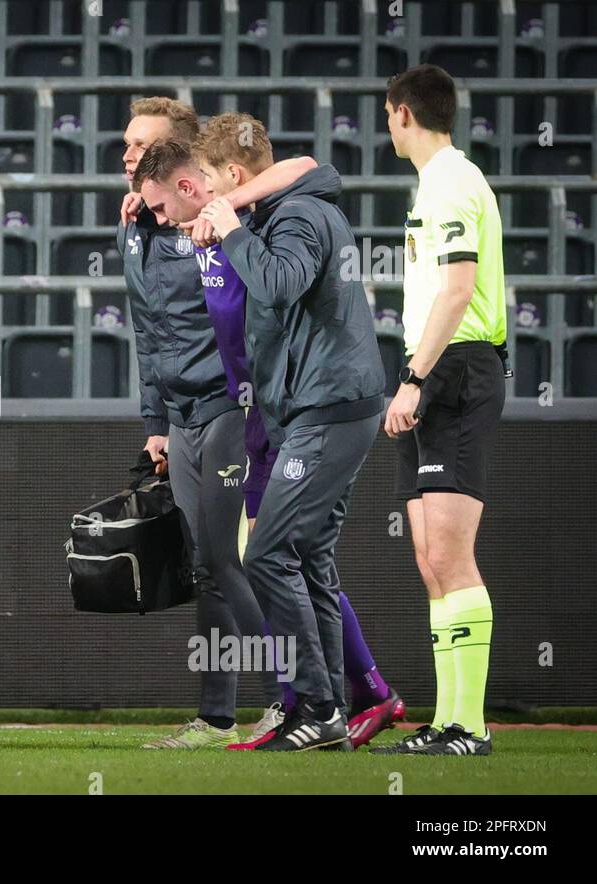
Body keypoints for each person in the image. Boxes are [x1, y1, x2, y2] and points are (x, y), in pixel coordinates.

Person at [174, 141, 407, 749]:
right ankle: (330, 707)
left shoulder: (299, 214)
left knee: (268, 555)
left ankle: (315, 704)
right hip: (319, 404)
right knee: (307, 560)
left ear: (233, 174)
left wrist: (232, 231)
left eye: (208, 181)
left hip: (329, 406)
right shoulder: (287, 209)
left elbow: (279, 284)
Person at [119, 99, 289, 749]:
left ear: (182, 161)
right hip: (183, 416)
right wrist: (155, 419)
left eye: (144, 146)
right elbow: (147, 331)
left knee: (228, 558)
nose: (130, 155)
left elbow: (301, 172)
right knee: (208, 567)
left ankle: (291, 698)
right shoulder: (137, 226)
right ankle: (217, 715)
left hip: (231, 406)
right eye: (127, 145)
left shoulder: (230, 218)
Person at [371, 65, 506, 757]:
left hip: (455, 371)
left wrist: (415, 378)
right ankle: (449, 719)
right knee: (430, 557)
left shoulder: (451, 181)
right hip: (435, 370)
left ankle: (470, 725)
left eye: (386, 113)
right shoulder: (441, 181)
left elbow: (456, 292)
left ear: (402, 114)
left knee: (450, 555)